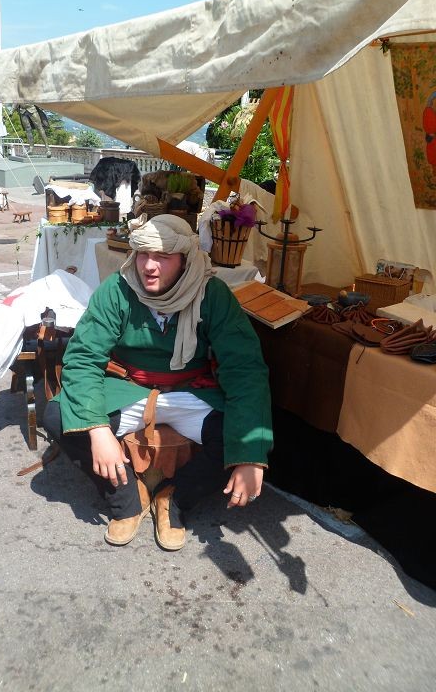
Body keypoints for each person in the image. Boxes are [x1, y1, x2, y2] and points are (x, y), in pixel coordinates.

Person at [43, 214, 273, 550]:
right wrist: (97, 429)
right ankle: (126, 498)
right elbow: (83, 359)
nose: (149, 266)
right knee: (59, 417)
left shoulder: (212, 294)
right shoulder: (118, 289)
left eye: (163, 256)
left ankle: (174, 499)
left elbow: (245, 370)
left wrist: (249, 456)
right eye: (143, 254)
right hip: (129, 389)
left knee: (250, 436)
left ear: (185, 260)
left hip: (191, 392)